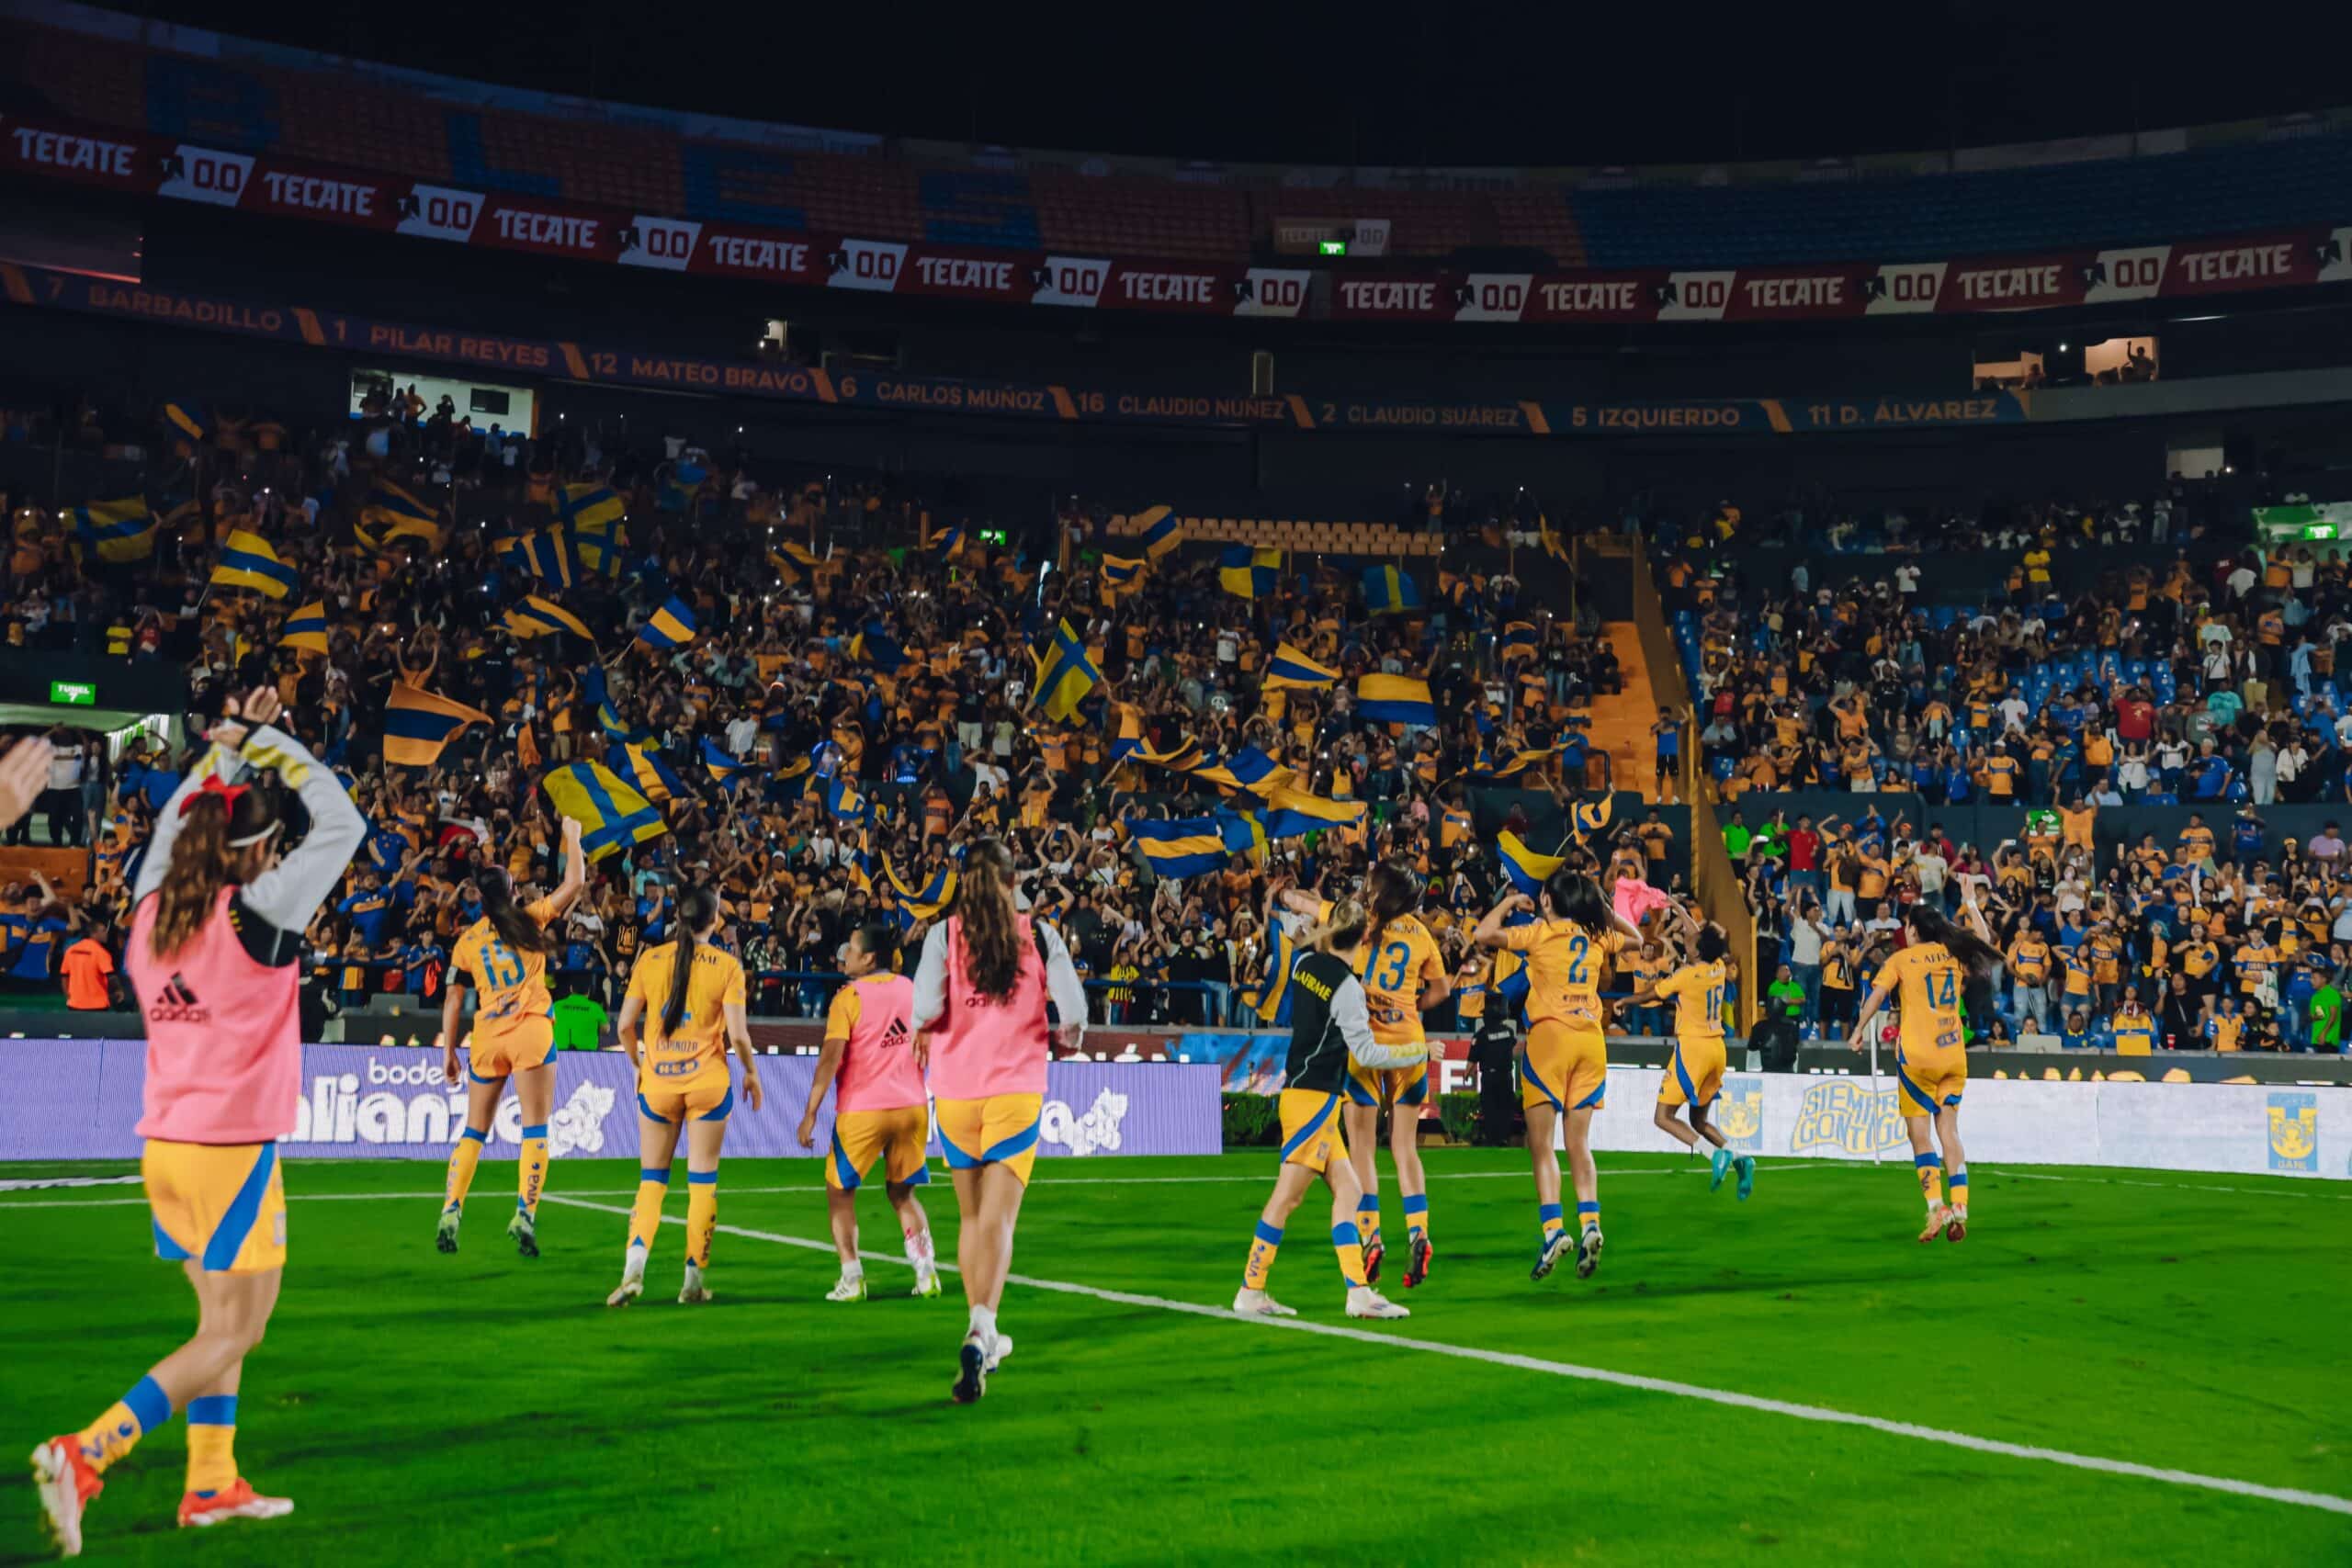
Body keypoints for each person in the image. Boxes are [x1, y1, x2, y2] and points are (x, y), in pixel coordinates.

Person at [30, 689, 361, 1554]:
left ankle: (210, 1481)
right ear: (255, 852)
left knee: (219, 1327)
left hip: (166, 1149)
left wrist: (222, 752)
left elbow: (176, 823)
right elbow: (343, 822)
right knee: (235, 1329)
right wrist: (268, 742)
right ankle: (86, 1451)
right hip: (232, 1152)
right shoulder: (260, 915)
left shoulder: (149, 912)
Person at [911, 838, 1086, 1404]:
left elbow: (925, 1010)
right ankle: (983, 1325)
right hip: (1014, 1089)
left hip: (957, 1091)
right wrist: (1066, 1034)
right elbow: (1075, 1013)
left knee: (969, 1217)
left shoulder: (944, 934)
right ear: (1014, 884)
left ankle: (979, 1326)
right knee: (1000, 1221)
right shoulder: (1037, 934)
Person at [1232, 897, 1417, 1321]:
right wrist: (1418, 1050)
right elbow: (1367, 1054)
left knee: (1350, 1192)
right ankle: (1250, 1289)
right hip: (1314, 1099)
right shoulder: (1347, 987)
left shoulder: (1305, 967)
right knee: (1286, 1199)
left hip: (1306, 1095)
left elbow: (1296, 939)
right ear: (1365, 938)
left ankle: (1359, 1292)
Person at [1280, 862, 1448, 1289]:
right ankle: (1418, 1231)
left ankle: (1372, 1236)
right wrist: (1412, 1007)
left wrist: (1283, 895)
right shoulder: (1422, 934)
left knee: (1362, 1149)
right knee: (1406, 1147)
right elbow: (1442, 991)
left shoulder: (1357, 918)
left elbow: (1307, 905)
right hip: (1410, 1042)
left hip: (1367, 1046)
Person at [1473, 870, 1645, 1283]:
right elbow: (1638, 940)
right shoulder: (1595, 937)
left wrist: (1511, 902)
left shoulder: (1537, 933)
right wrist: (1603, 912)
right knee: (1579, 1144)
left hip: (1550, 1039)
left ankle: (1553, 1229)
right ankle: (1590, 1222)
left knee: (1541, 1146)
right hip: (1590, 1040)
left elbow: (1483, 934)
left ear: (1547, 901)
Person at [434, 817, 587, 1258]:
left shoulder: (467, 941)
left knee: (474, 1132)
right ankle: (524, 1213)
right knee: (535, 1130)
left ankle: (450, 1210)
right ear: (513, 893)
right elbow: (574, 882)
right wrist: (571, 837)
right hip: (531, 1033)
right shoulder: (530, 919)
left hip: (487, 1038)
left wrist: (448, 1049)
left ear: (479, 899)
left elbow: (451, 1000)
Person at [606, 884, 762, 1306]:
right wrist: (751, 1074)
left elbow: (623, 1027)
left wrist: (639, 1066)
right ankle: (692, 1281)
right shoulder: (728, 966)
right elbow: (739, 1035)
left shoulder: (651, 960)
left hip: (658, 1084)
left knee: (652, 1183)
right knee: (701, 1184)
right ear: (715, 921)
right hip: (708, 1083)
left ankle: (633, 1271)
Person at [1845, 886, 2003, 1244]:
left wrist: (1859, 1031)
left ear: (1914, 930)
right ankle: (1960, 1205)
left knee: (1920, 1137)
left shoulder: (1902, 959)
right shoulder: (1955, 953)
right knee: (1950, 1132)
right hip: (1953, 1055)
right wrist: (1971, 903)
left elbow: (1877, 995)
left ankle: (1937, 1207)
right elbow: (1983, 938)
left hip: (1918, 1057)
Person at [796, 919, 943, 1303]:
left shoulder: (849, 997)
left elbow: (830, 1059)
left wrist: (811, 1111)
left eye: (852, 949)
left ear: (869, 957)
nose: (845, 954)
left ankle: (852, 1276)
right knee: (902, 1195)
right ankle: (926, 1273)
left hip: (863, 1110)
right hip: (911, 1106)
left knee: (840, 1194)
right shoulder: (911, 989)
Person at [1623, 917, 1756, 1199]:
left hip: (1692, 1049)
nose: (1687, 938)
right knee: (1699, 1122)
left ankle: (1713, 1155)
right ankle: (1741, 1157)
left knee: (1663, 1116)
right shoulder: (1719, 968)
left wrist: (1625, 1000)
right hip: (1717, 1049)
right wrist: (1678, 908)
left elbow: (1653, 994)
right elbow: (1702, 935)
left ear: (1697, 951)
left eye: (1691, 941)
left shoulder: (1685, 976)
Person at [60, 918, 118, 1010]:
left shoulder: (71, 950)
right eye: (103, 931)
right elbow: (111, 976)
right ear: (93, 934)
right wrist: (118, 990)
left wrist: (68, 996)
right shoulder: (101, 952)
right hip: (98, 1005)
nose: (106, 933)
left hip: (74, 1004)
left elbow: (64, 976)